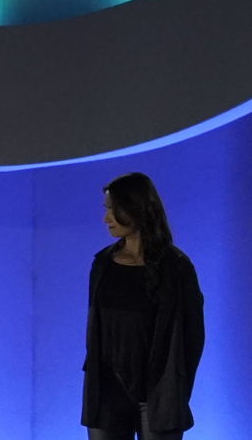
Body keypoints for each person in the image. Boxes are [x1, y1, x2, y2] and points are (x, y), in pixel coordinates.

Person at [83, 172, 205, 440]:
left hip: (157, 395)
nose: (106, 218)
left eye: (113, 210)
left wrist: (176, 391)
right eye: (106, 210)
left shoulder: (176, 268)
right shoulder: (102, 264)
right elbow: (96, 331)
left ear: (137, 208)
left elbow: (193, 336)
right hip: (107, 393)